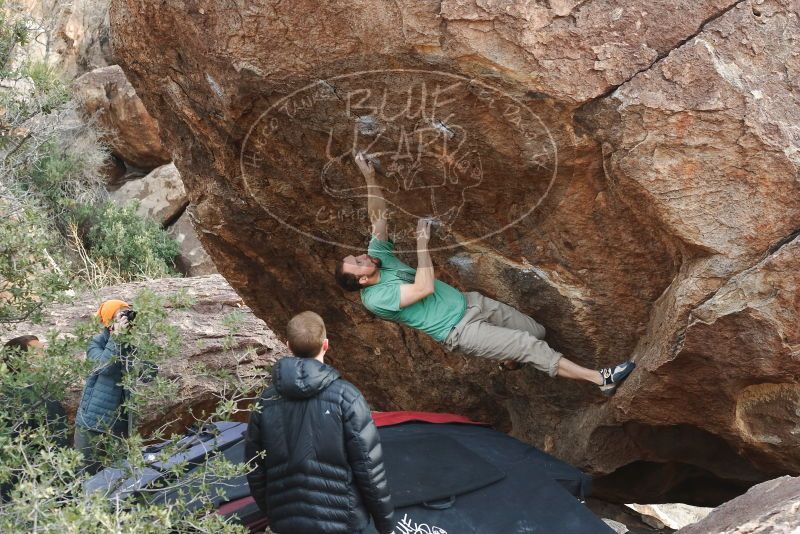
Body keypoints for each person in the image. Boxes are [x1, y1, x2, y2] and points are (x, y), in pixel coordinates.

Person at [335, 152, 635, 395]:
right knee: (528, 345)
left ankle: (505, 361)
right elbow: (423, 287)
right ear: (362, 279)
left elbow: (378, 218)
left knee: (536, 332)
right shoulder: (375, 298)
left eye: (358, 255)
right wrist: (421, 244)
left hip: (471, 303)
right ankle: (601, 380)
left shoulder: (379, 258)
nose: (363, 255)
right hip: (458, 330)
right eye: (359, 262)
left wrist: (369, 177)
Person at [245, 311, 395, 534]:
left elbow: (254, 467)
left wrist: (273, 513)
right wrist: (386, 526)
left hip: (286, 522)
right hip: (344, 522)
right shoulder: (347, 397)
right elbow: (368, 467)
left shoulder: (266, 401)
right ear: (326, 345)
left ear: (288, 345)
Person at [1, 335, 68, 501]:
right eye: (39, 354)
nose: (46, 357)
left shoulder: (11, 391)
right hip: (36, 489)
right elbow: (57, 448)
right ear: (22, 363)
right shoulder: (38, 399)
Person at [73, 299, 136, 474]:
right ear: (109, 321)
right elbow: (104, 367)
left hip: (121, 423)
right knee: (84, 472)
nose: (126, 318)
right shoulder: (96, 342)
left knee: (120, 474)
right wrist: (116, 338)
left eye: (128, 313)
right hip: (93, 420)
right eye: (121, 314)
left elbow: (148, 375)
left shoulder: (133, 343)